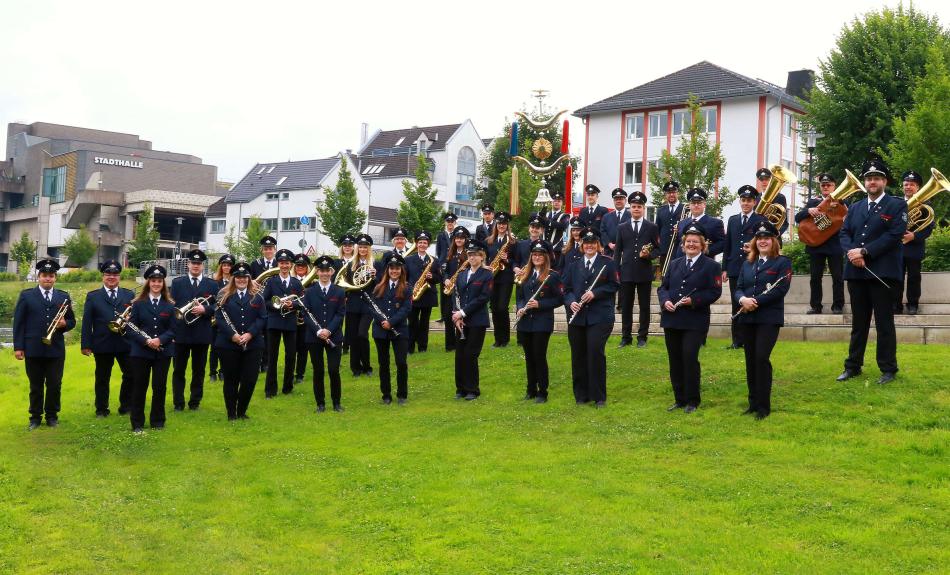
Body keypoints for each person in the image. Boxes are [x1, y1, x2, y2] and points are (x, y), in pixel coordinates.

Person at [837, 158, 907, 385]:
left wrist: (864, 252)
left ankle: (888, 368)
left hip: (883, 274)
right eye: (868, 178)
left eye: (876, 178)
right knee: (859, 323)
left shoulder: (897, 205)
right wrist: (852, 253)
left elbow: (894, 235)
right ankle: (853, 366)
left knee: (884, 323)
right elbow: (844, 233)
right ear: (864, 182)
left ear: (884, 181)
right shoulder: (855, 206)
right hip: (856, 273)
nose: (872, 182)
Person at [658, 224, 722, 414]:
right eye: (688, 242)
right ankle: (679, 399)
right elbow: (663, 288)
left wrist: (694, 300)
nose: (691, 244)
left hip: (695, 320)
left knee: (689, 357)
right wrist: (665, 301)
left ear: (702, 245)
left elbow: (715, 292)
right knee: (675, 359)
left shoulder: (712, 266)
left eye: (695, 242)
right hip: (672, 319)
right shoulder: (674, 263)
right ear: (683, 244)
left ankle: (693, 400)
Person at [734, 221, 792, 419]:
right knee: (750, 360)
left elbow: (781, 289)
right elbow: (739, 287)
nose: (762, 241)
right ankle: (752, 403)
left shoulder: (782, 262)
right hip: (748, 318)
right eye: (759, 238)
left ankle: (763, 406)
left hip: (768, 318)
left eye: (766, 238)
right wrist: (742, 299)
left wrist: (755, 301)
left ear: (773, 240)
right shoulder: (748, 263)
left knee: (761, 358)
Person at [13, 259, 76, 430]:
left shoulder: (63, 296)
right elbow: (18, 323)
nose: (48, 279)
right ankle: (34, 417)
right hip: (33, 348)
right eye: (44, 276)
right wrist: (18, 347)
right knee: (35, 385)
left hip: (55, 349)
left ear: (55, 278)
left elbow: (72, 321)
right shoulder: (26, 296)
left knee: (55, 384)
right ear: (39, 277)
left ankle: (52, 416)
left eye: (51, 276)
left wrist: (65, 324)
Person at [563, 228, 620, 407]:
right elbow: (566, 289)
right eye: (586, 243)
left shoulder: (608, 263)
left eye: (592, 243)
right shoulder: (573, 265)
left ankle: (599, 396)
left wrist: (596, 293)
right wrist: (571, 301)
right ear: (582, 245)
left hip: (600, 316)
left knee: (595, 353)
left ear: (598, 245)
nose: (589, 246)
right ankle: (581, 395)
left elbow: (614, 285)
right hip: (577, 316)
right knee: (578, 355)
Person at [125, 265, 176, 433]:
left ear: (163, 283)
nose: (156, 284)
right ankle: (137, 423)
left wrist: (159, 340)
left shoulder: (170, 305)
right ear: (148, 283)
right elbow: (131, 328)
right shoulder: (138, 304)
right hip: (141, 352)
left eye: (159, 281)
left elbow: (173, 329)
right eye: (153, 281)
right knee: (139, 386)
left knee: (159, 387)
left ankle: (158, 421)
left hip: (163, 352)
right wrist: (146, 341)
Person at [81, 260, 135, 418]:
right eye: (108, 274)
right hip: (102, 343)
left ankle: (126, 406)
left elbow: (133, 320)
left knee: (130, 374)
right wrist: (85, 344)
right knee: (102, 378)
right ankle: (101, 409)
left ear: (119, 276)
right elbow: (87, 322)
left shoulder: (128, 294)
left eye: (115, 274)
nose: (111, 277)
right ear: (103, 276)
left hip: (125, 342)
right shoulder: (93, 296)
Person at [213, 262, 267, 420]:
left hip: (253, 344)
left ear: (249, 278)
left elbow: (262, 318)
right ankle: (231, 413)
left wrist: (250, 334)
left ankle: (242, 411)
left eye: (244, 277)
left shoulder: (258, 296)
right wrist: (233, 335)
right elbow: (219, 318)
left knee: (249, 380)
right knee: (231, 379)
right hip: (228, 344)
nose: (241, 280)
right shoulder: (223, 295)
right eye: (238, 277)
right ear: (233, 278)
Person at [514, 240, 564, 403]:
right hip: (525, 321)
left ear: (546, 257)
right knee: (529, 356)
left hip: (542, 322)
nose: (537, 257)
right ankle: (531, 389)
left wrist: (540, 304)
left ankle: (543, 391)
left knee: (539, 356)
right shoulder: (523, 274)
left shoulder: (552, 275)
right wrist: (520, 307)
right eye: (534, 255)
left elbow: (559, 299)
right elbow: (520, 297)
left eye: (540, 255)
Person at [169, 249, 217, 411]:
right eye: (193, 263)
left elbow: (218, 306)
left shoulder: (212, 284)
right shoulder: (177, 283)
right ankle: (178, 402)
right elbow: (172, 308)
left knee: (199, 370)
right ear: (188, 264)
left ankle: (195, 402)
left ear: (202, 266)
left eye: (199, 264)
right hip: (181, 333)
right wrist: (172, 333)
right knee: (178, 370)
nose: (196, 266)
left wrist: (206, 310)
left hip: (202, 333)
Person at [614, 191, 660, 348]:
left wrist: (648, 255)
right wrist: (615, 271)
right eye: (633, 206)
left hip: (644, 272)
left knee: (644, 306)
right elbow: (617, 251)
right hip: (626, 272)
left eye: (639, 207)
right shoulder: (622, 227)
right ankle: (625, 337)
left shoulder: (652, 227)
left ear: (644, 208)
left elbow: (658, 249)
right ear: (630, 208)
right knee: (626, 306)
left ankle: (642, 337)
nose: (636, 209)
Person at [722, 185, 767, 349]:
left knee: (750, 302)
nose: (746, 203)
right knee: (736, 303)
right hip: (734, 268)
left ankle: (750, 339)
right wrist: (724, 268)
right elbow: (727, 245)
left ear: (754, 202)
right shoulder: (733, 219)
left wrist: (753, 248)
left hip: (752, 266)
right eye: (743, 200)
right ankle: (736, 340)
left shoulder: (760, 219)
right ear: (740, 201)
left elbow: (765, 243)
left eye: (749, 200)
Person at [794, 173, 845, 315]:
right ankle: (816, 306)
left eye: (829, 185)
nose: (826, 187)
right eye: (823, 185)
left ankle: (838, 306)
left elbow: (848, 219)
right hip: (816, 245)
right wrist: (808, 211)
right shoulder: (813, 201)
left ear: (834, 186)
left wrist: (840, 206)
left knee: (838, 277)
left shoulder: (841, 201)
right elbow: (797, 217)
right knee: (815, 278)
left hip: (835, 244)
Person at [300, 255, 346, 412]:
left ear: (332, 272)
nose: (325, 274)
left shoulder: (339, 291)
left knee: (334, 370)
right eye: (322, 271)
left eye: (328, 271)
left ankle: (336, 403)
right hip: (314, 337)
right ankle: (320, 403)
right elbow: (306, 314)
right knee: (318, 370)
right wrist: (319, 331)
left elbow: (340, 314)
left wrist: (329, 330)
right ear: (317, 272)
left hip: (334, 336)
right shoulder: (309, 292)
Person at [452, 239, 493, 401]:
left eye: (476, 255)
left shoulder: (487, 274)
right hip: (460, 321)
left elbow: (483, 298)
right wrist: (456, 315)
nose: (472, 257)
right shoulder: (461, 275)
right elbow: (455, 296)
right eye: (470, 255)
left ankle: (472, 389)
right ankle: (460, 388)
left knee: (471, 354)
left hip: (477, 321)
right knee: (460, 355)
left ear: (482, 257)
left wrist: (462, 312)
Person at [370, 253, 412, 405]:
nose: (394, 271)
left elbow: (406, 309)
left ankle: (402, 395)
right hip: (380, 330)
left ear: (402, 270)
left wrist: (391, 322)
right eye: (392, 268)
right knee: (384, 363)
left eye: (397, 269)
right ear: (387, 270)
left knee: (401, 362)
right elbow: (373, 308)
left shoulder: (407, 288)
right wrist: (383, 321)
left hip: (399, 330)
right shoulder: (378, 287)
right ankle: (386, 394)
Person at [261, 248, 304, 396]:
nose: (284, 266)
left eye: (287, 263)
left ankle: (288, 388)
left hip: (290, 323)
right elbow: (264, 301)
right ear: (278, 264)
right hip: (274, 322)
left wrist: (293, 305)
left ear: (291, 265)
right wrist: (276, 305)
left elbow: (302, 302)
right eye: (282, 263)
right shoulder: (271, 282)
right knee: (272, 357)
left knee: (291, 356)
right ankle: (270, 390)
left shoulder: (296, 283)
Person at [895, 170, 933, 315]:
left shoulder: (925, 204)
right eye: (906, 184)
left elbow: (928, 228)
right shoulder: (896, 202)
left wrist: (914, 236)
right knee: (896, 276)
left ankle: (913, 305)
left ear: (918, 187)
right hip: (897, 247)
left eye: (912, 184)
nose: (908, 187)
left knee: (914, 277)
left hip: (914, 246)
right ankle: (895, 305)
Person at [342, 234, 379, 377]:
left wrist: (375, 276)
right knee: (352, 336)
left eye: (365, 247)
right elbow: (345, 283)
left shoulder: (376, 264)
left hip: (368, 303)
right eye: (361, 247)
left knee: (362, 334)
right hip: (353, 303)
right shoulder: (350, 264)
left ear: (369, 248)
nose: (363, 249)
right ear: (358, 248)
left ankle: (367, 366)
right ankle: (355, 368)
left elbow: (380, 284)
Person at [405, 230, 440, 354]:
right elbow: (405, 278)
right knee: (412, 322)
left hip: (427, 295)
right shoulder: (408, 260)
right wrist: (410, 289)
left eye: (425, 243)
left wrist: (432, 277)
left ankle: (422, 346)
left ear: (428, 245)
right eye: (420, 242)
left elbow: (439, 278)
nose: (422, 245)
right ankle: (410, 347)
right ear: (416, 243)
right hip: (413, 296)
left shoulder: (434, 260)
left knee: (424, 323)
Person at [487, 211, 516, 347]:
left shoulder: (512, 241)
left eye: (504, 224)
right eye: (499, 223)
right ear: (496, 224)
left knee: (502, 307)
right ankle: (497, 338)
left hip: (506, 278)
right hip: (492, 277)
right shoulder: (489, 241)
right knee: (494, 307)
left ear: (507, 225)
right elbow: (484, 258)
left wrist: (507, 259)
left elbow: (516, 260)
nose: (501, 226)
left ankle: (505, 339)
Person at [671, 187, 726, 260]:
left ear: (704, 204)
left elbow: (722, 243)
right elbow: (677, 245)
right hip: (682, 265)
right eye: (693, 203)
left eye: (699, 203)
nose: (696, 205)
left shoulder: (715, 223)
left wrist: (707, 250)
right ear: (689, 205)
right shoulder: (681, 223)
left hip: (704, 264)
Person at [440, 226, 470, 352]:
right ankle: (449, 345)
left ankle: (461, 342)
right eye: (457, 237)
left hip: (462, 290)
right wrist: (445, 278)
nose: (459, 240)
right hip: (449, 289)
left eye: (461, 238)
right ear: (454, 239)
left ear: (465, 240)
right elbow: (443, 270)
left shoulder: (469, 253)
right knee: (448, 317)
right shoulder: (448, 253)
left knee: (460, 316)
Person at [251, 235, 278, 374]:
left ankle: (266, 362)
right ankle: (257, 361)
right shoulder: (255, 264)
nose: (268, 251)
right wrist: (253, 282)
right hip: (257, 302)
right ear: (262, 250)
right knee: (257, 333)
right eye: (266, 248)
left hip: (273, 303)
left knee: (269, 335)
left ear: (275, 249)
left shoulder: (279, 264)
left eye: (271, 248)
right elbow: (249, 282)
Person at [208, 253, 235, 381]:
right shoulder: (215, 283)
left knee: (227, 347)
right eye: (224, 265)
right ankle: (212, 372)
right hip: (216, 318)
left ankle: (223, 371)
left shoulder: (236, 282)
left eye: (229, 265)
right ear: (221, 267)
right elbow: (211, 300)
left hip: (230, 319)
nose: (226, 267)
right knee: (214, 347)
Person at [655, 181, 684, 274]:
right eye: (668, 193)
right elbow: (657, 230)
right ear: (665, 195)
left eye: (673, 192)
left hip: (681, 249)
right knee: (665, 276)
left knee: (680, 275)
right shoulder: (660, 210)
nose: (671, 195)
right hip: (665, 250)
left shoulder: (685, 208)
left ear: (678, 193)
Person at [291, 253, 312, 384]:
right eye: (298, 265)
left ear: (307, 267)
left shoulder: (313, 281)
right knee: (291, 348)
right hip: (291, 318)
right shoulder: (291, 280)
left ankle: (300, 374)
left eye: (303, 265)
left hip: (306, 319)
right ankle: (290, 372)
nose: (300, 267)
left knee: (303, 348)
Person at [335, 234, 357, 355]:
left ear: (353, 247)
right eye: (345, 245)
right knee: (338, 320)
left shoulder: (356, 262)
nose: (347, 247)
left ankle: (347, 345)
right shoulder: (337, 262)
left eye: (350, 245)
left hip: (353, 295)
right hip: (339, 296)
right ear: (342, 247)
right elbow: (334, 279)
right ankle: (338, 342)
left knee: (350, 323)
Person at [756, 167, 789, 237]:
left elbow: (784, 222)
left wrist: (777, 232)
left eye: (766, 179)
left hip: (774, 237)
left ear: (771, 180)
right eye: (761, 179)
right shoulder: (756, 198)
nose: (764, 182)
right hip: (758, 236)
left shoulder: (780, 197)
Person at [600, 187, 629, 258]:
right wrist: (609, 244)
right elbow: (603, 232)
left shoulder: (631, 216)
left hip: (626, 252)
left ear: (625, 200)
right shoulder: (606, 217)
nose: (618, 201)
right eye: (616, 199)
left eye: (621, 199)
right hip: (609, 252)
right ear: (613, 201)